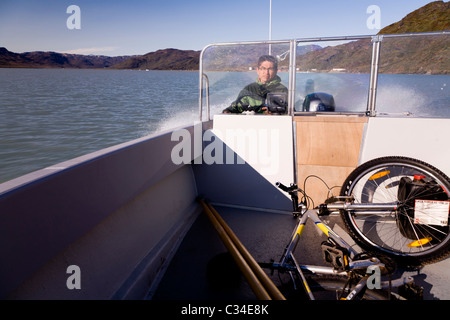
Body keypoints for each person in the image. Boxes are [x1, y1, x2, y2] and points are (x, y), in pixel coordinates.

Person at [222, 55, 288, 114]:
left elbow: (290, 113)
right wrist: (228, 111)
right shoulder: (249, 89)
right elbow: (235, 108)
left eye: (270, 69)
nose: (266, 72)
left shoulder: (283, 90)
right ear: (258, 70)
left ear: (276, 71)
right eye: (263, 68)